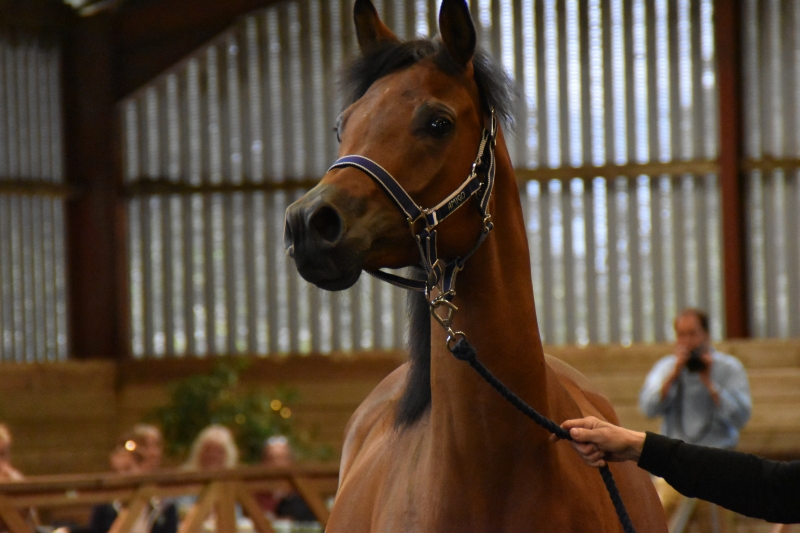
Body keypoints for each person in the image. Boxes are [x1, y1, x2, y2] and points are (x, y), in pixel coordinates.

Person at [551, 416, 800, 524]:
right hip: (677, 471)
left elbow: (772, 488)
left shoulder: (725, 369)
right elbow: (774, 487)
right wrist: (638, 446)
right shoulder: (667, 370)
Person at [639, 308, 751, 449]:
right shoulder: (666, 368)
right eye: (681, 335)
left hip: (718, 454)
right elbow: (648, 409)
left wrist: (710, 384)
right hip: (675, 454)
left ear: (706, 334)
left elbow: (740, 417)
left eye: (692, 334)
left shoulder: (729, 368)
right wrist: (672, 377)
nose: (687, 341)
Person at [88, 436, 177, 533]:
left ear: (142, 469)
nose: (121, 476)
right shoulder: (104, 509)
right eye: (115, 471)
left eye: (128, 469)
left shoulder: (164, 508)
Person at [257, 436, 316, 522]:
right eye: (272, 458)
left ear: (291, 462)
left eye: (282, 458)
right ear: (264, 463)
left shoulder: (303, 493)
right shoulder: (255, 493)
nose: (277, 464)